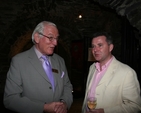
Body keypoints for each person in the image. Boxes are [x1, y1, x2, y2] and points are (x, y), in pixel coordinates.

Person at [3, 21, 73, 113]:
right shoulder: (19, 61)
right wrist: (43, 107)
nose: (55, 43)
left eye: (56, 38)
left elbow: (67, 86)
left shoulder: (60, 60)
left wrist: (64, 103)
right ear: (37, 38)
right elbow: (10, 99)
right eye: (51, 37)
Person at [82, 32, 141, 113]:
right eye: (93, 46)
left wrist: (105, 111)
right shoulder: (92, 68)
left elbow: (135, 106)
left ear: (110, 47)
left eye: (100, 45)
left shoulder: (127, 72)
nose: (95, 50)